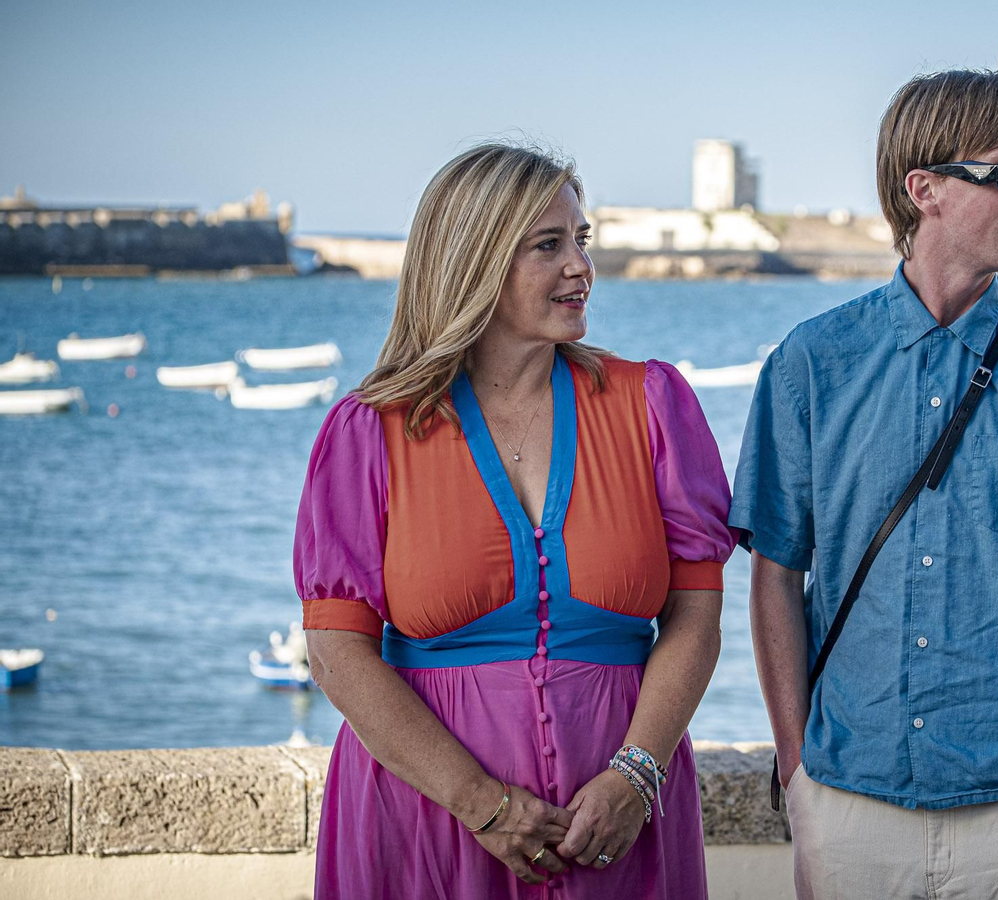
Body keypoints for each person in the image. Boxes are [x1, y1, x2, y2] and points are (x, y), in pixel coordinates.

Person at [730, 70, 998, 899]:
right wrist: (798, 771)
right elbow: (774, 575)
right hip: (849, 802)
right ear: (923, 189)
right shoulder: (810, 364)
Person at [296, 143, 734, 898]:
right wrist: (480, 804)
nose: (580, 266)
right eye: (548, 245)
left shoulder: (653, 405)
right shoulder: (371, 430)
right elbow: (337, 652)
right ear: (475, 262)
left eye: (581, 240)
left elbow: (695, 614)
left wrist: (636, 774)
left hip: (619, 824)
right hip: (427, 822)